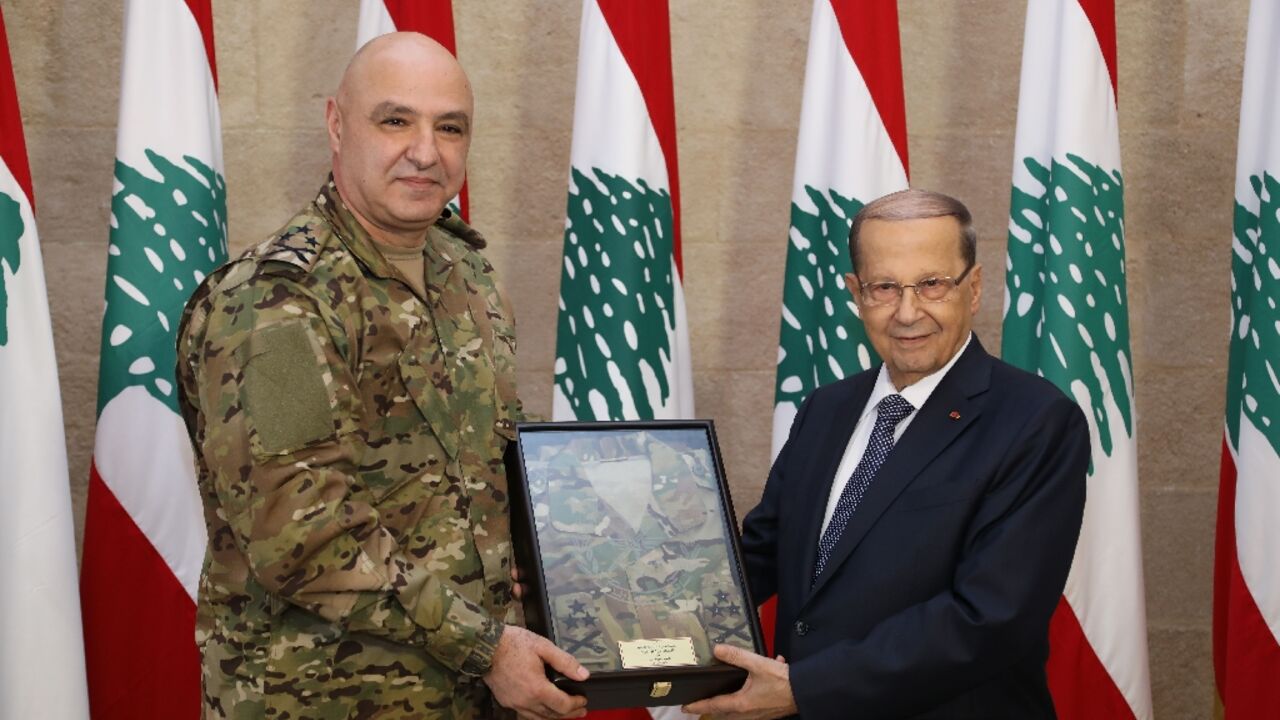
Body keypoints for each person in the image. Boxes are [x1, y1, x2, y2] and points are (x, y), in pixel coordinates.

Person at [176, 32, 588, 720]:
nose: (426, 151)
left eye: (450, 127)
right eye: (395, 120)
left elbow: (485, 461)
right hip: (327, 698)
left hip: (475, 696)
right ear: (337, 124)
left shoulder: (466, 273)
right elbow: (304, 535)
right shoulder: (275, 305)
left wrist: (545, 548)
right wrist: (487, 647)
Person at [685, 189, 1089, 719]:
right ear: (857, 292)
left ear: (974, 289)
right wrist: (604, 633)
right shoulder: (826, 409)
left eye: (932, 284)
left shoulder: (1036, 421)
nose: (907, 312)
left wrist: (808, 688)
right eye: (884, 287)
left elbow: (991, 617)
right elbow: (760, 556)